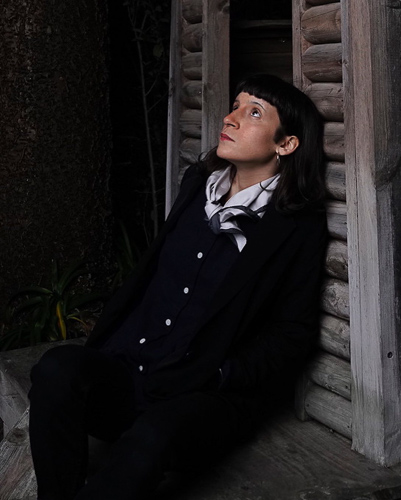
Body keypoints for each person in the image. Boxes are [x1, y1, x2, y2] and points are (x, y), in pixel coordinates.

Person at [28, 74, 327, 500]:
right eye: (236, 106)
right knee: (57, 368)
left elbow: (293, 333)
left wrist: (220, 373)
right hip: (132, 369)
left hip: (200, 396)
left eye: (254, 112)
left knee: (152, 434)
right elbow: (154, 276)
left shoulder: (296, 226)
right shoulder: (197, 184)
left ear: (287, 144)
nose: (231, 118)